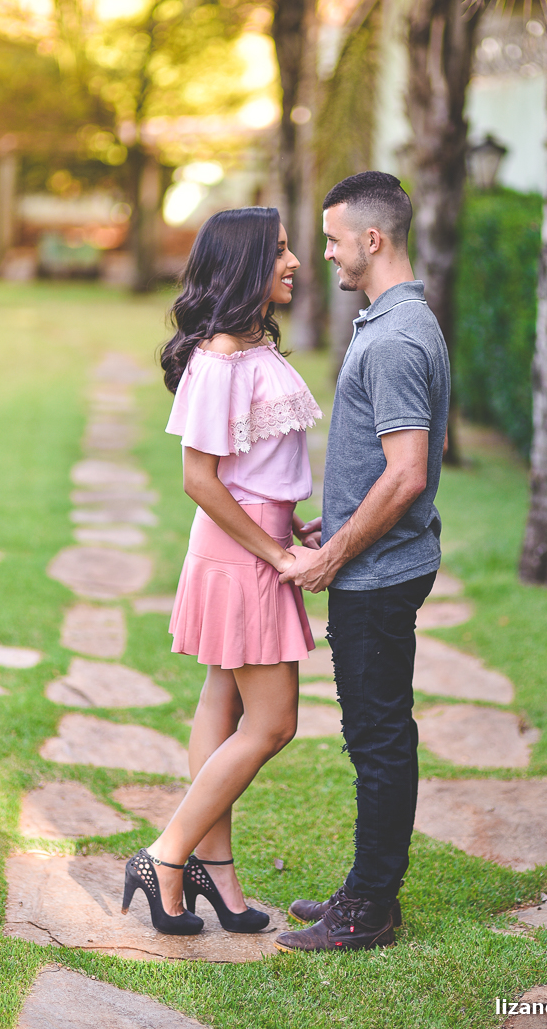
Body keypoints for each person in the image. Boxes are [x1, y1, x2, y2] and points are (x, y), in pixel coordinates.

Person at [121, 206, 322, 937]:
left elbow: (251, 468)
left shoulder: (252, 346)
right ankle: (166, 855)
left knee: (224, 701)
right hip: (242, 556)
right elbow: (199, 479)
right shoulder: (219, 360)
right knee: (274, 723)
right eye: (278, 251)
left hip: (253, 541)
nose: (293, 261)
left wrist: (290, 526)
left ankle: (217, 874)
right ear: (243, 265)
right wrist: (276, 552)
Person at [274, 171, 450, 953]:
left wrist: (335, 553)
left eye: (333, 239)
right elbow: (400, 460)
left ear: (371, 240)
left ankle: (369, 908)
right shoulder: (395, 320)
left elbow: (407, 473)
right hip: (378, 558)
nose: (324, 253)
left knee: (377, 739)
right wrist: (339, 520)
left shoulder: (396, 336)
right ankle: (363, 890)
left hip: (377, 574)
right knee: (374, 733)